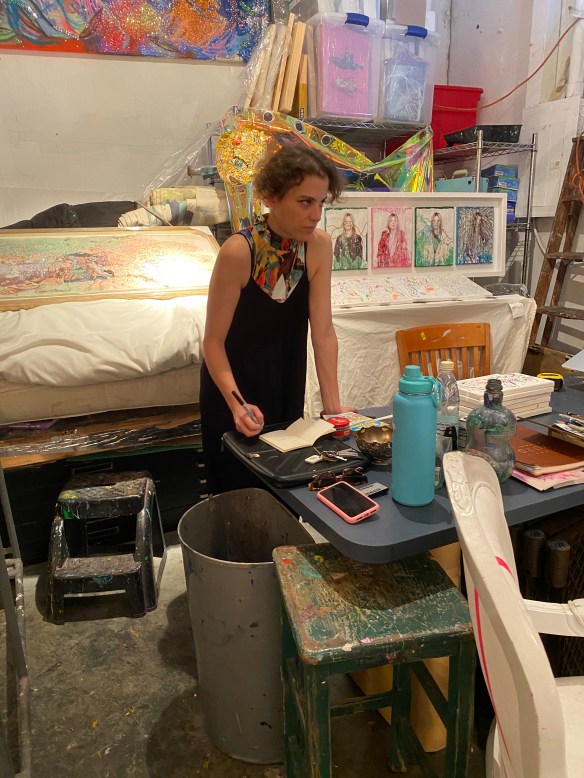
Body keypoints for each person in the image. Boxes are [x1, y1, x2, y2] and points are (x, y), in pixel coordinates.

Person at [200, 145, 354, 494]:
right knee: (238, 499)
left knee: (285, 492)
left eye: (321, 203)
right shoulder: (239, 251)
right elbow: (212, 342)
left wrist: (333, 408)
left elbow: (323, 332)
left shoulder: (318, 247)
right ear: (270, 197)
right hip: (232, 393)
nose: (315, 214)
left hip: (286, 385)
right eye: (305, 202)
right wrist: (237, 404)